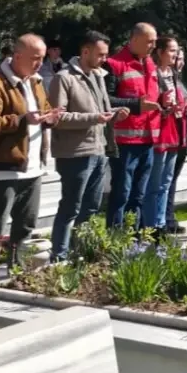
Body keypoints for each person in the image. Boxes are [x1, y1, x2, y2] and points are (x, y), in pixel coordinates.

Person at [0, 34, 61, 265]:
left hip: (32, 168)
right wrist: (21, 120)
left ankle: (16, 271)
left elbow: (43, 111)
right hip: (2, 168)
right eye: (35, 58)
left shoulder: (35, 82)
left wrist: (50, 118)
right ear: (17, 56)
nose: (40, 63)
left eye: (42, 58)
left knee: (26, 225)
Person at [48, 30, 126, 262]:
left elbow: (100, 111)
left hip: (99, 149)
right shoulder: (64, 78)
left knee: (91, 206)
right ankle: (59, 256)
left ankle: (79, 252)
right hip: (75, 153)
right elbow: (57, 118)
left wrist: (114, 114)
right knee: (71, 206)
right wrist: (94, 118)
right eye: (101, 54)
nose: (105, 59)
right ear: (85, 51)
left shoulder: (98, 76)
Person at [104, 23, 161, 229]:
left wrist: (166, 103)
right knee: (121, 193)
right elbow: (105, 100)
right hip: (124, 141)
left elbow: (155, 94)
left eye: (155, 41)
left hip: (148, 139)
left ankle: (133, 240)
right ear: (134, 39)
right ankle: (115, 238)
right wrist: (136, 106)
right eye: (149, 41)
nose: (153, 46)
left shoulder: (150, 64)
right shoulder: (114, 64)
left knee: (138, 195)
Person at [143, 36, 187, 235]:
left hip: (173, 131)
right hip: (158, 133)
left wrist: (184, 106)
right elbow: (148, 102)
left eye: (176, 51)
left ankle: (160, 223)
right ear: (159, 52)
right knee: (154, 183)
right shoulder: (152, 73)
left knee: (166, 181)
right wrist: (163, 106)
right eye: (171, 50)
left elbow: (177, 99)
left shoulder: (173, 74)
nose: (175, 55)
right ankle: (150, 225)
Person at [164, 46, 187, 233]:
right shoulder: (167, 80)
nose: (180, 62)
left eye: (182, 58)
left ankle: (169, 217)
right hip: (170, 137)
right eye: (177, 58)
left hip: (181, 135)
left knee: (172, 179)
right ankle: (165, 219)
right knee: (165, 181)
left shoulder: (179, 81)